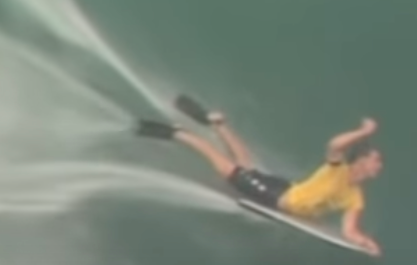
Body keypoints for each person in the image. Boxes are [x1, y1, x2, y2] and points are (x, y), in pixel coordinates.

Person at [133, 94, 383, 256]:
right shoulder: (337, 169)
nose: (379, 166)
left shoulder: (355, 197)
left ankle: (219, 125)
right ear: (360, 161)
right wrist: (363, 132)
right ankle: (181, 133)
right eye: (375, 161)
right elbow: (336, 144)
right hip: (278, 197)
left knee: (247, 168)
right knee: (227, 169)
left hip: (286, 190)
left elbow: (350, 230)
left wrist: (364, 243)